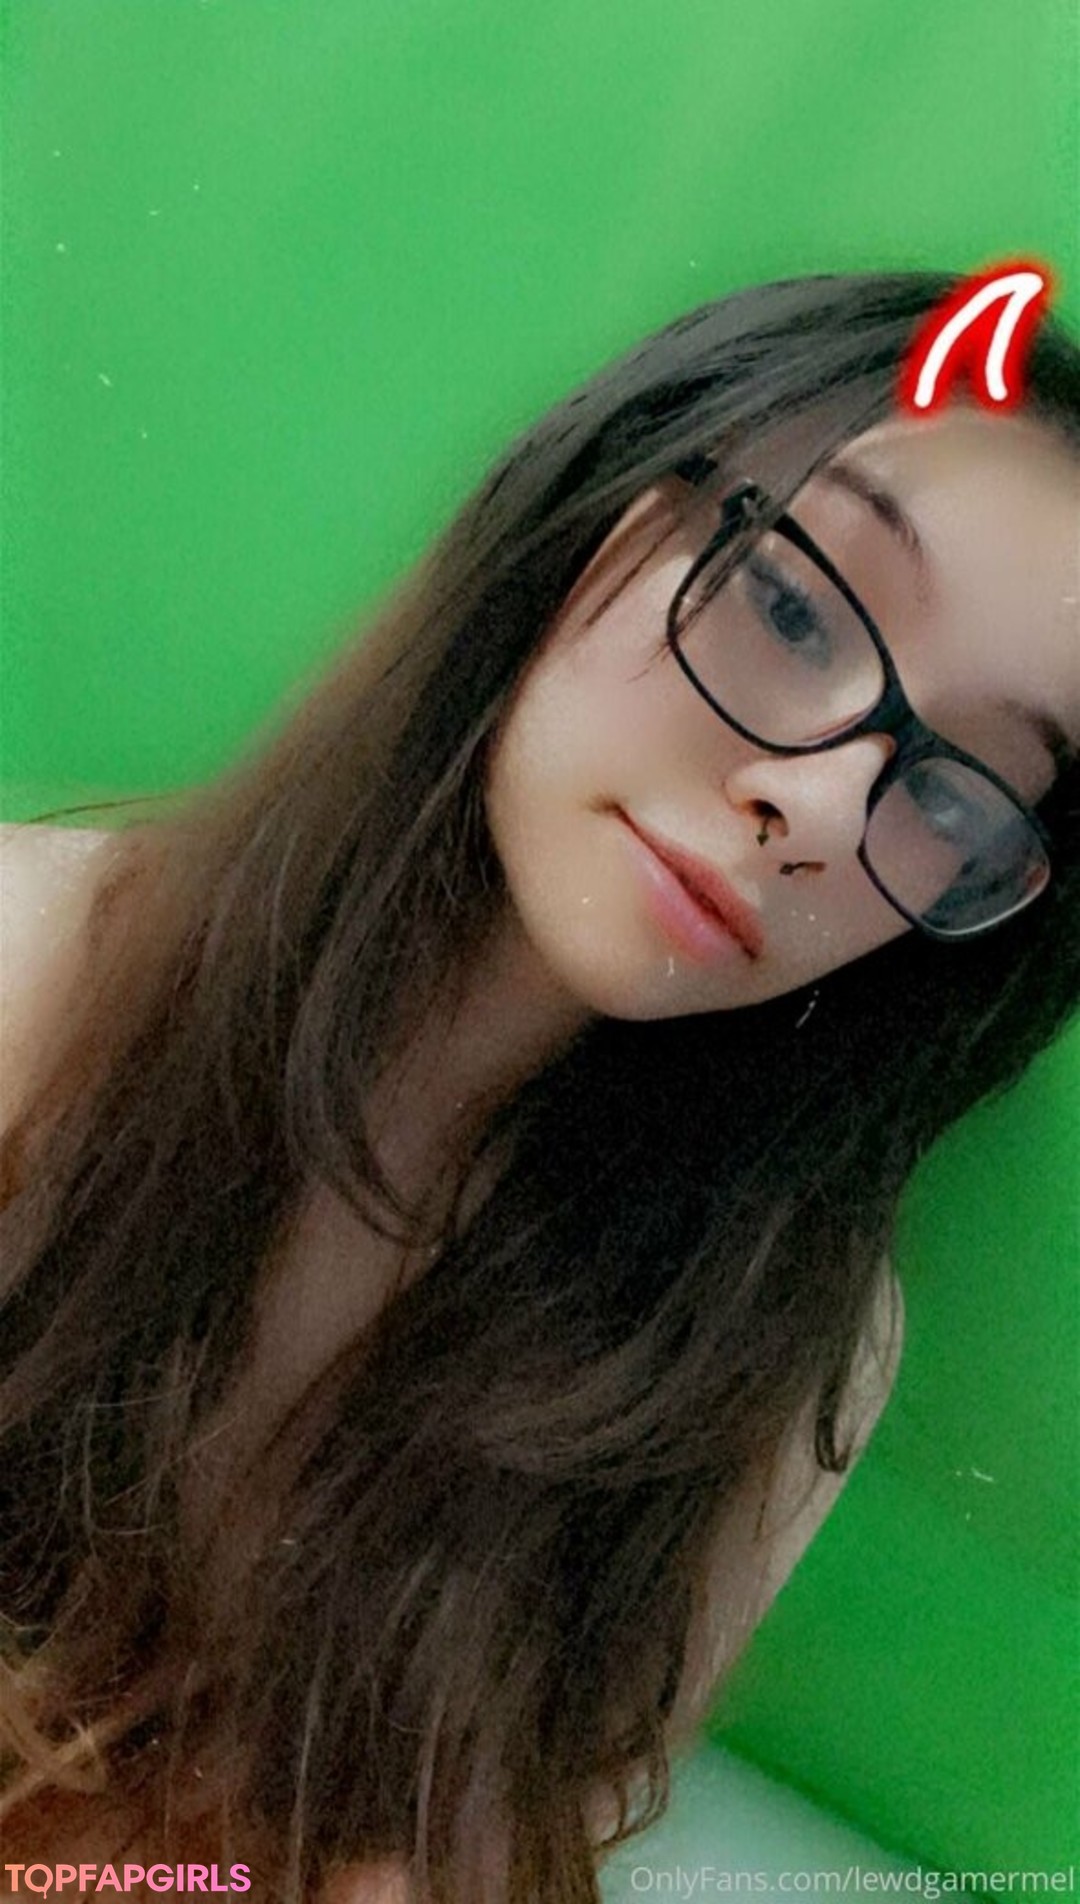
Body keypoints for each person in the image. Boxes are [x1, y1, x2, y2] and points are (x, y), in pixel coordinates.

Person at [0, 270, 1077, 1903]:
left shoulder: (775, 1344)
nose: (820, 804)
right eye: (796, 613)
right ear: (599, 504)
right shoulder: (35, 969)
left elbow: (473, 1850)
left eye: (961, 792)